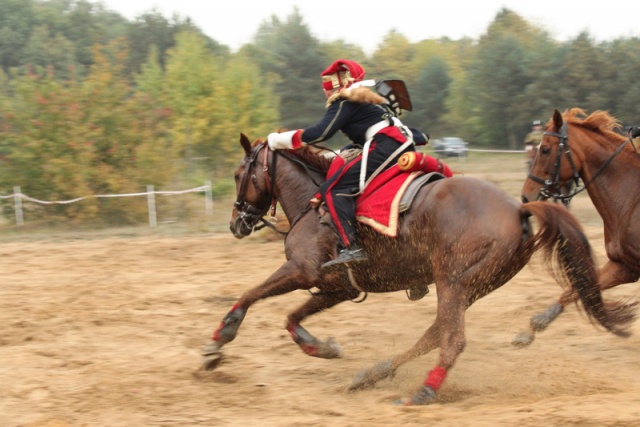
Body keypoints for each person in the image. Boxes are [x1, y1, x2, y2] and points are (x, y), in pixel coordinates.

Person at [267, 59, 430, 268]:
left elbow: (320, 133)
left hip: (386, 146)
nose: (325, 95)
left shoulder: (344, 101)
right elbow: (366, 135)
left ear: (334, 88)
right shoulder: (370, 100)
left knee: (334, 189)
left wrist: (276, 140)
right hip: (400, 145)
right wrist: (340, 152)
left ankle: (352, 247)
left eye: (326, 90)